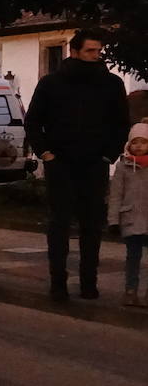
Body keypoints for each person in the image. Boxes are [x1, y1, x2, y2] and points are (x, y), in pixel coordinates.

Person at [25, 27, 130, 300]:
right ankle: (58, 282)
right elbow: (33, 121)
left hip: (94, 162)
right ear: (74, 51)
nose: (96, 55)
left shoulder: (111, 84)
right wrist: (45, 153)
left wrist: (109, 154)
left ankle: (89, 282)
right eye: (90, 51)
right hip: (60, 162)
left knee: (92, 225)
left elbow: (121, 124)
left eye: (99, 51)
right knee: (59, 224)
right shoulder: (52, 83)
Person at [108, 122, 148, 307]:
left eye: (143, 142)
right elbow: (116, 195)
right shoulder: (123, 166)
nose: (139, 146)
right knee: (133, 257)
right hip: (131, 219)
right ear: (129, 144)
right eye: (135, 142)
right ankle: (130, 291)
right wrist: (113, 221)